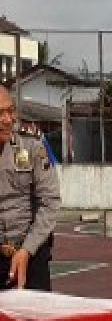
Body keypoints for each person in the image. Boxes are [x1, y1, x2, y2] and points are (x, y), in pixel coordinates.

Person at [0, 86, 60, 291]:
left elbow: (50, 201)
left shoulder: (31, 145)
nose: (7, 119)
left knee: (37, 319)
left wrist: (26, 250)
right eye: (0, 113)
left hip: (31, 254)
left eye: (10, 111)